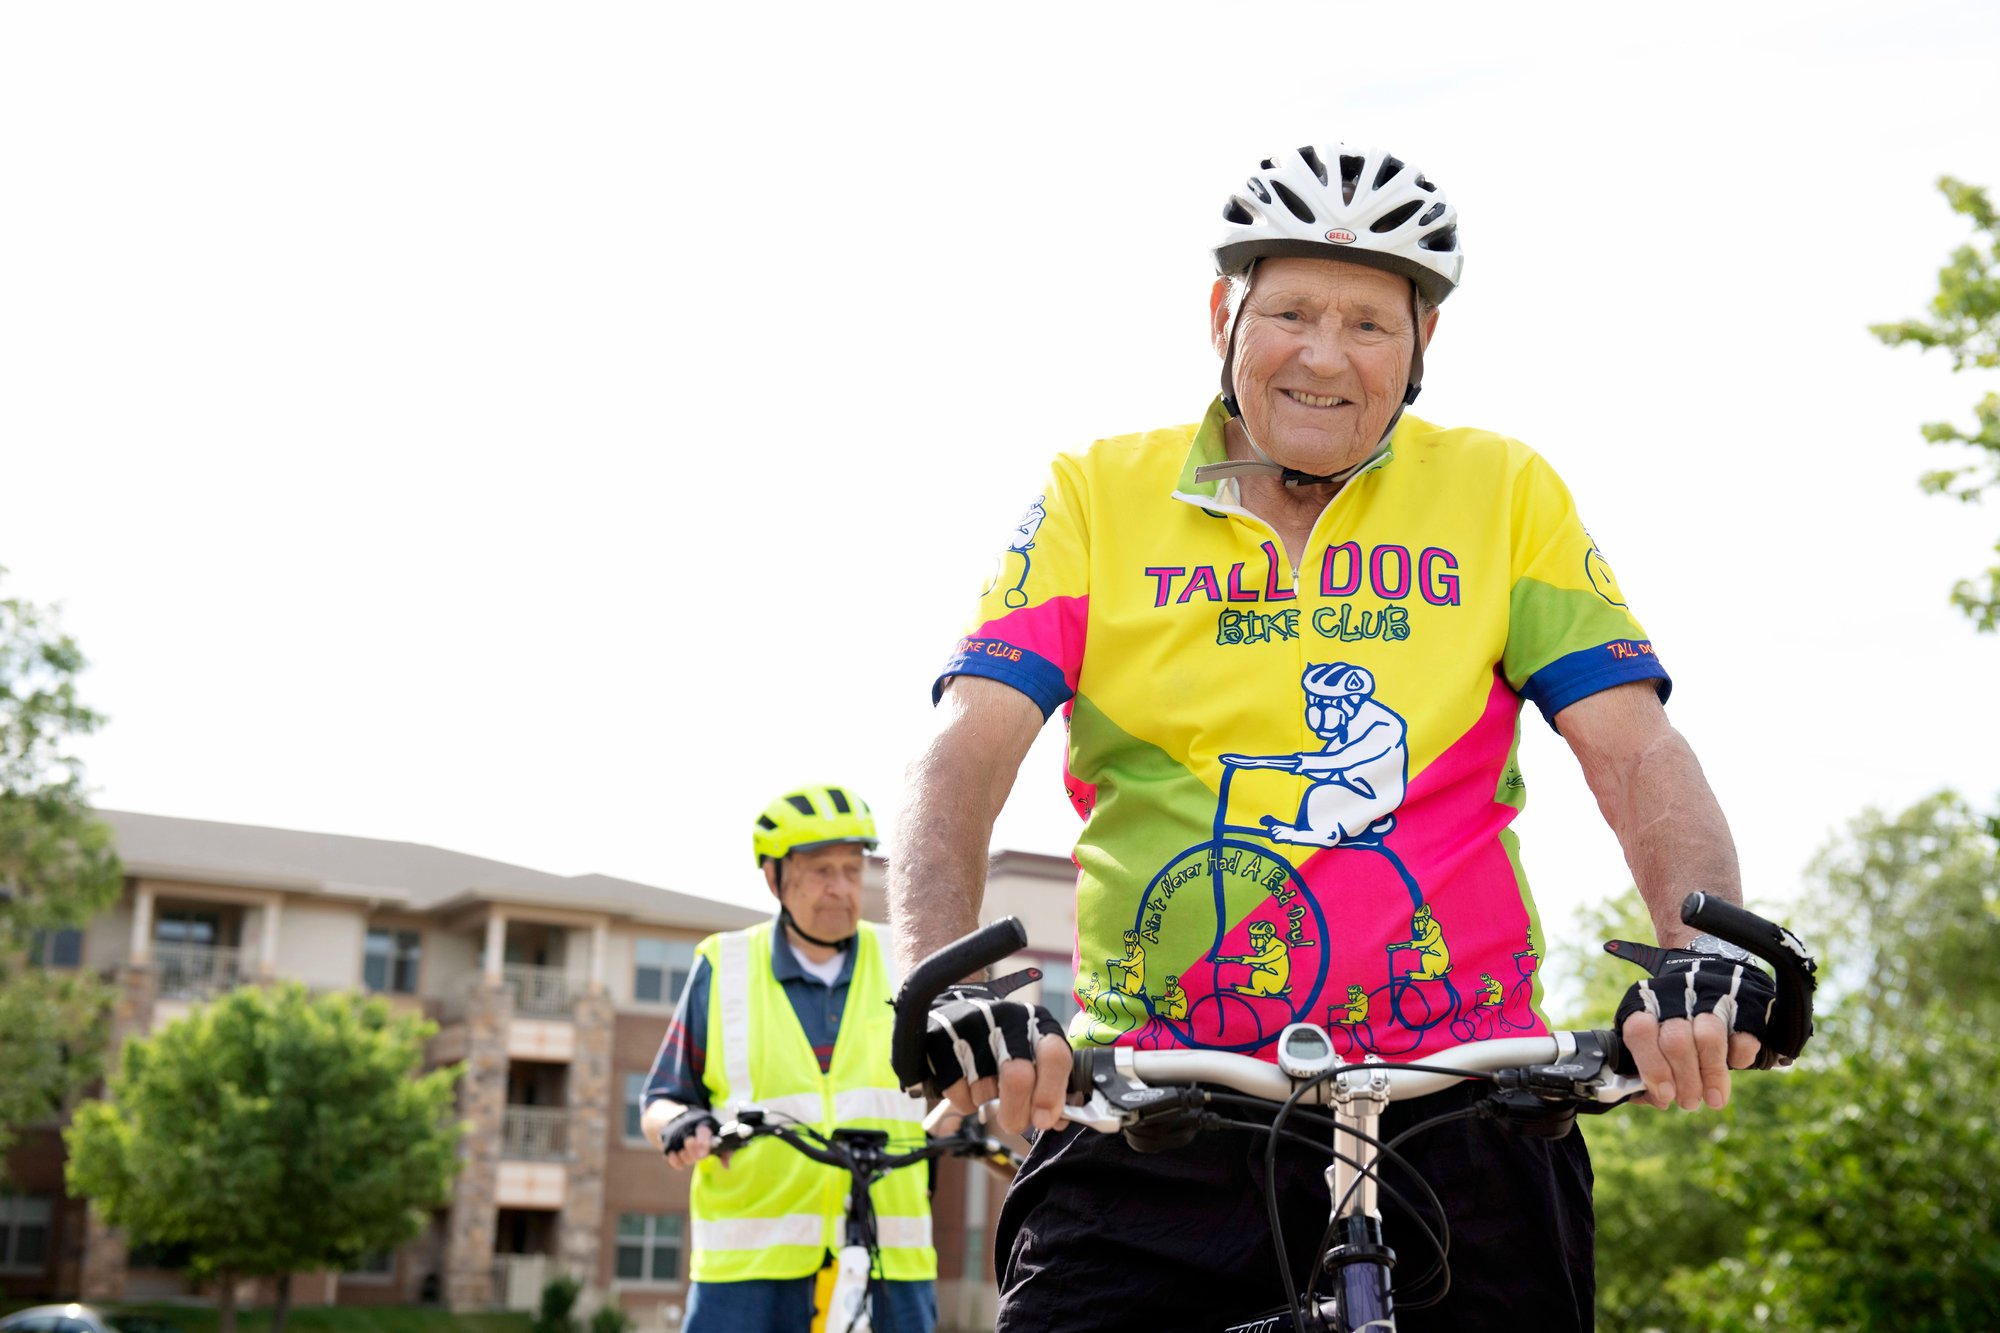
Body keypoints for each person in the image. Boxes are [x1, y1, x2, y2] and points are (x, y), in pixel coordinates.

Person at [886, 142, 1779, 1332]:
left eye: (1367, 321)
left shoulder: (1500, 489)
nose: (1323, 354)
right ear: (1222, 315)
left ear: (1420, 347)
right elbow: (963, 752)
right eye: (1290, 311)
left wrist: (1700, 947)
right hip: (1156, 1107)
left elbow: (1631, 748)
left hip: (1468, 1107)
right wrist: (950, 975)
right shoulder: (1095, 494)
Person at [643, 784, 937, 1333]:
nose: (841, 888)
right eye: (821, 871)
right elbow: (662, 1098)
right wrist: (680, 1123)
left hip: (889, 1256)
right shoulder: (724, 965)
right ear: (775, 877)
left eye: (852, 870)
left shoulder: (904, 963)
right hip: (749, 1266)